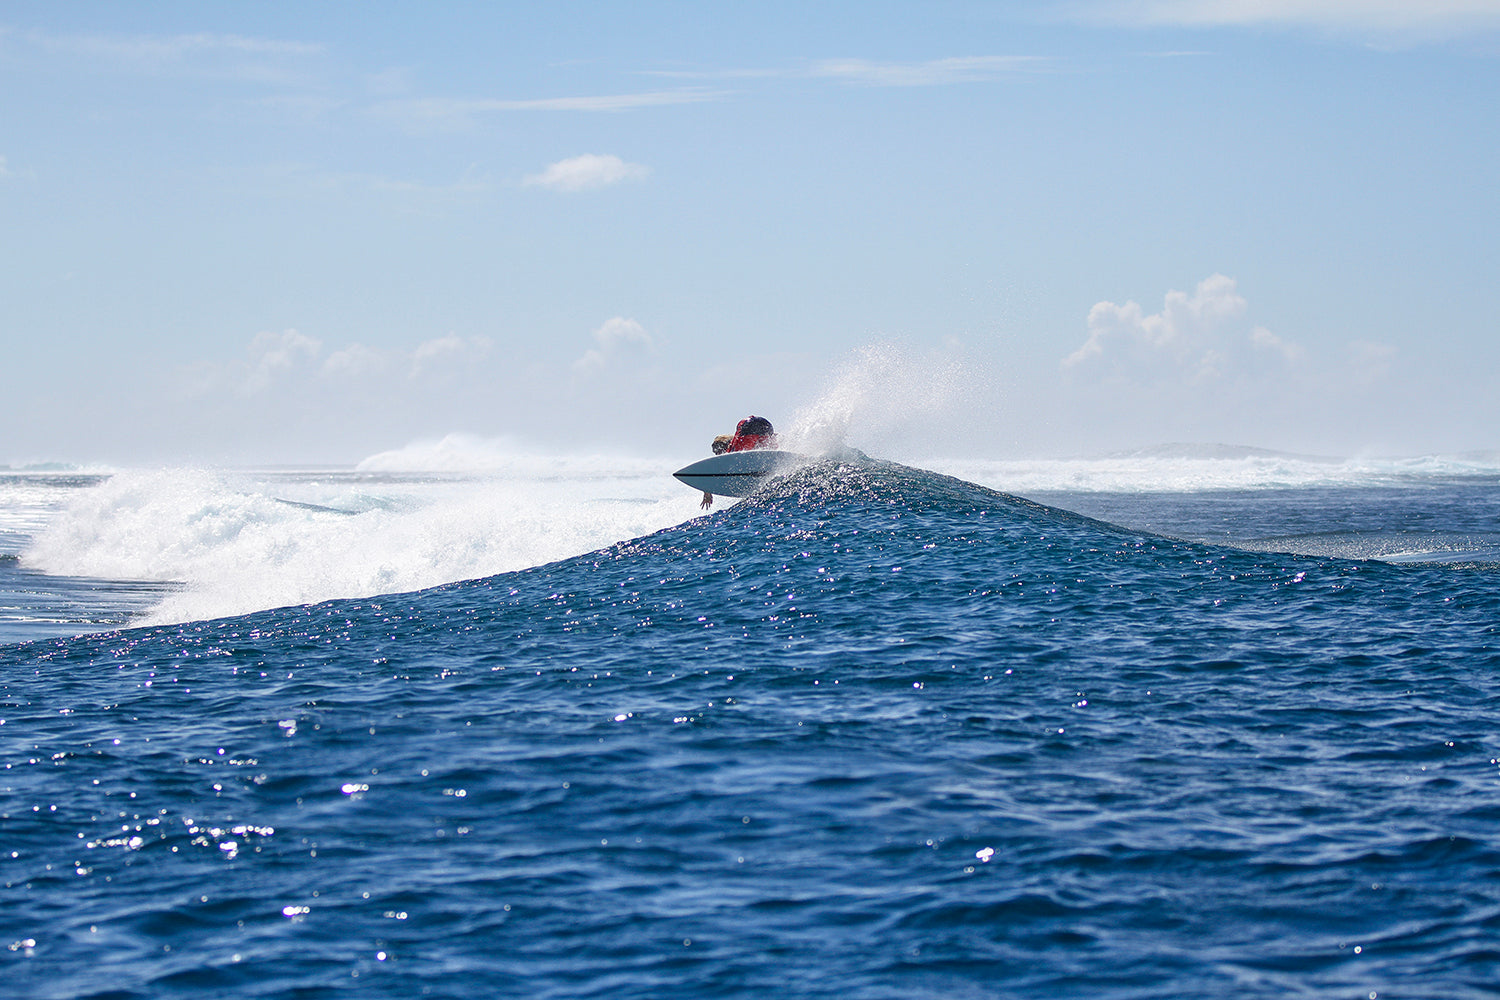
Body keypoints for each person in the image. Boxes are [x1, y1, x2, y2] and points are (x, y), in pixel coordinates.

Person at [700, 417, 779, 509]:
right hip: (765, 425)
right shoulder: (745, 442)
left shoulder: (732, 451)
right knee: (770, 451)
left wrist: (707, 491)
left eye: (717, 453)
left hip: (749, 425)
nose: (717, 456)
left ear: (722, 449)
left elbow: (711, 471)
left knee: (737, 457)